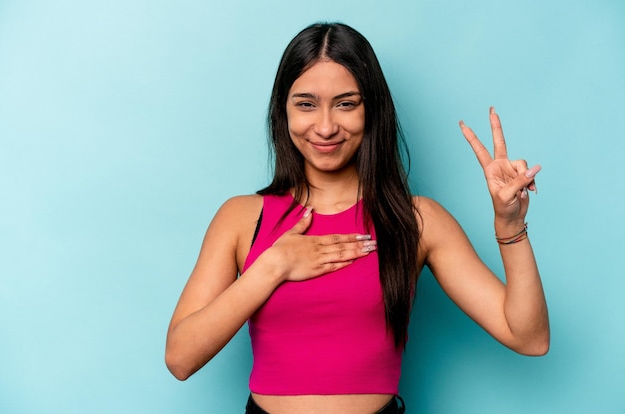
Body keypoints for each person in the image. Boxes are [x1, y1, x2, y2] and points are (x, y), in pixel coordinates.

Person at [165, 22, 549, 414]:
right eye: (306, 104)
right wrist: (273, 266)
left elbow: (529, 338)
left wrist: (510, 225)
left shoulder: (418, 220)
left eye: (346, 104)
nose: (327, 126)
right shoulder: (242, 217)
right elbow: (180, 358)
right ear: (283, 110)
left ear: (372, 110)